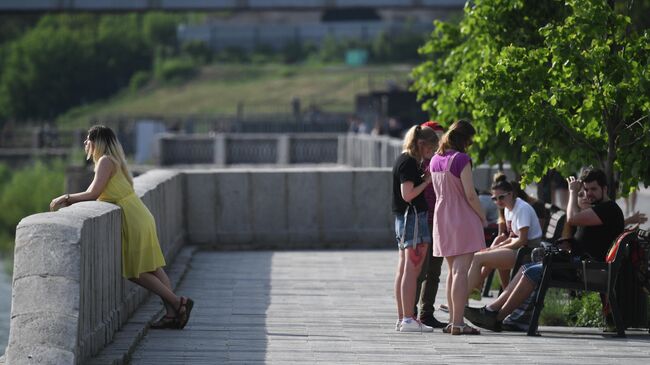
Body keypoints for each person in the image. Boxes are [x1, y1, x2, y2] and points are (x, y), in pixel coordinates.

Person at [50, 125, 193, 330]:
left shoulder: (105, 161)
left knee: (135, 272)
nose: (85, 143)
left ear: (97, 142)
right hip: (139, 214)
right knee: (153, 268)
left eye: (88, 139)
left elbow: (93, 193)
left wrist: (66, 198)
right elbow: (95, 191)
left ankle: (179, 302)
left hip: (133, 217)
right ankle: (172, 314)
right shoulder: (112, 161)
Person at [464, 168, 624, 332]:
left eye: (594, 189)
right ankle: (491, 310)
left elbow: (572, 218)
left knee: (531, 272)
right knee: (527, 268)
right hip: (579, 265)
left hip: (586, 269)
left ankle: (497, 318)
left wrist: (572, 193)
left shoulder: (608, 209)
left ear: (605, 189)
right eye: (586, 189)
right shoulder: (600, 208)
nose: (589, 193)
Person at [429, 119, 486, 335]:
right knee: (461, 271)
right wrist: (482, 217)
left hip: (442, 217)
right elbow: (470, 195)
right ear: (465, 140)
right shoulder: (461, 159)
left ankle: (454, 321)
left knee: (452, 272)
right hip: (462, 216)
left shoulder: (435, 159)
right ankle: (458, 322)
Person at [392, 124, 438, 332]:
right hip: (413, 219)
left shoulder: (404, 159)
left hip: (404, 219)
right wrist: (427, 181)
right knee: (412, 270)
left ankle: (404, 317)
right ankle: (408, 318)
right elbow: (407, 194)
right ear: (421, 144)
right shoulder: (409, 162)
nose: (430, 155)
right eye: (429, 150)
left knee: (404, 270)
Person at [467, 179, 543, 292]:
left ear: (511, 194)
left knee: (477, 258)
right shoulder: (508, 208)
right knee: (488, 250)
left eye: (501, 197)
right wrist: (495, 248)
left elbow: (522, 240)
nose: (498, 201)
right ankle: (503, 292)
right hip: (520, 249)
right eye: (494, 198)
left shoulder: (522, 208)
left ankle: (464, 297)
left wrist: (498, 248)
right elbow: (511, 237)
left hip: (527, 253)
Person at [412, 121, 446, 328]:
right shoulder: (416, 163)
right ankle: (412, 312)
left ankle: (427, 312)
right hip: (423, 221)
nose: (438, 144)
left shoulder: (444, 160)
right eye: (435, 139)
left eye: (440, 138)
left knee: (434, 272)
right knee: (419, 271)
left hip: (440, 221)